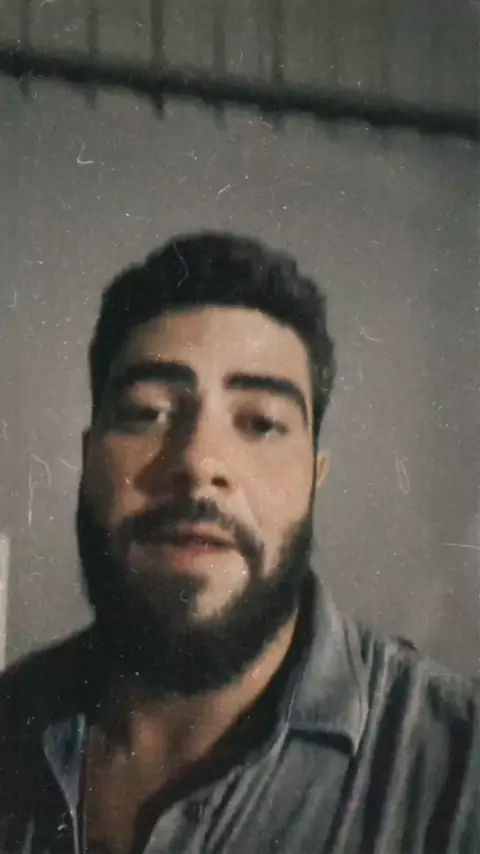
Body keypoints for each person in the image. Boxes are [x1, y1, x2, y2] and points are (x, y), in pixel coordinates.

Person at [0, 232, 478, 854]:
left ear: (313, 478)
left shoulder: (459, 769)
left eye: (261, 423)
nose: (199, 462)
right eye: (147, 412)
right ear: (89, 460)